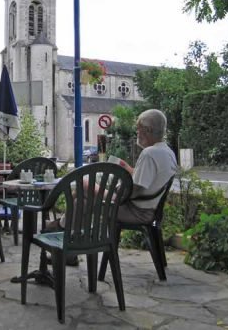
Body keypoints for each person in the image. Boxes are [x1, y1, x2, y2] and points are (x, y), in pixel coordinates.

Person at [45, 109, 177, 265]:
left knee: (83, 184)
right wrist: (127, 169)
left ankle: (60, 227)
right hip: (146, 208)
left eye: (138, 129)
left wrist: (114, 193)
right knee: (82, 202)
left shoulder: (149, 153)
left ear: (147, 130)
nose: (137, 133)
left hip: (133, 210)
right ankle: (67, 246)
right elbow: (147, 180)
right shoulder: (166, 152)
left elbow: (136, 190)